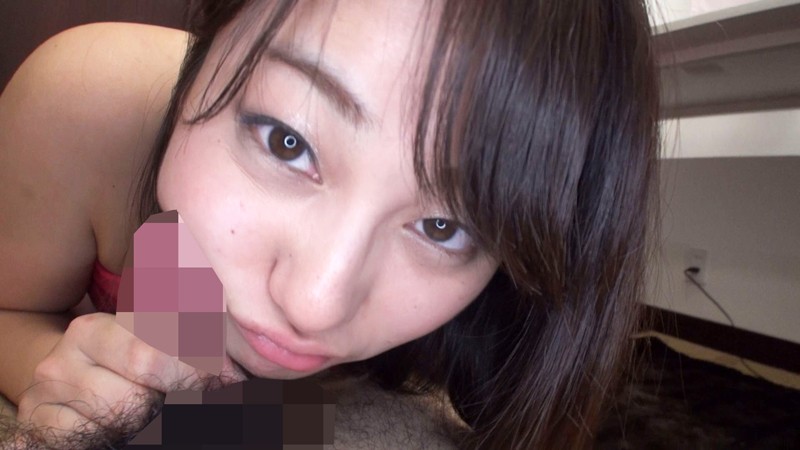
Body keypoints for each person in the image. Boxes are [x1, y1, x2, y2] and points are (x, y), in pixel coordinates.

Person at [0, 0, 660, 448]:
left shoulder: (493, 319)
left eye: (444, 228)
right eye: (287, 141)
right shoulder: (89, 99)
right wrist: (51, 368)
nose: (315, 304)